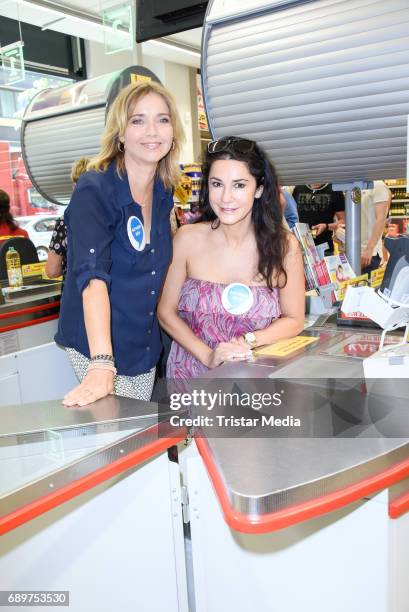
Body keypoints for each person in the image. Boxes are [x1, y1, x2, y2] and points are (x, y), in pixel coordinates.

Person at [56, 80, 185, 406]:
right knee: (120, 439)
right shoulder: (95, 189)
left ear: (173, 133)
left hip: (142, 345)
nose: (152, 131)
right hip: (97, 345)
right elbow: (92, 276)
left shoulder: (162, 192)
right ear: (120, 133)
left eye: (163, 119)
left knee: (139, 435)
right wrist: (102, 363)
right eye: (138, 120)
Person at [158, 136, 305, 379]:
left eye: (239, 185)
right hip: (191, 376)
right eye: (217, 184)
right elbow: (166, 312)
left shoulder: (284, 247)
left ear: (258, 189)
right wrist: (208, 355)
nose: (226, 197)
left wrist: (248, 341)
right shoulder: (186, 239)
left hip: (256, 379)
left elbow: (294, 319)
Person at [45, 157, 89, 280]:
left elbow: (52, 271)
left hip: (76, 292)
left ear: (75, 185)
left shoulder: (66, 221)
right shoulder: (113, 216)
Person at [292, 183, 345, 253]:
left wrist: (326, 226)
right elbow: (292, 215)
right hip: (301, 247)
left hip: (324, 248)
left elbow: (343, 221)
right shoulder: (298, 189)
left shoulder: (335, 190)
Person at [360, 180, 391, 274]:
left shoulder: (378, 185)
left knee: (364, 287)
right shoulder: (357, 185)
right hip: (354, 251)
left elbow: (381, 219)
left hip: (368, 254)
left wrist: (369, 249)